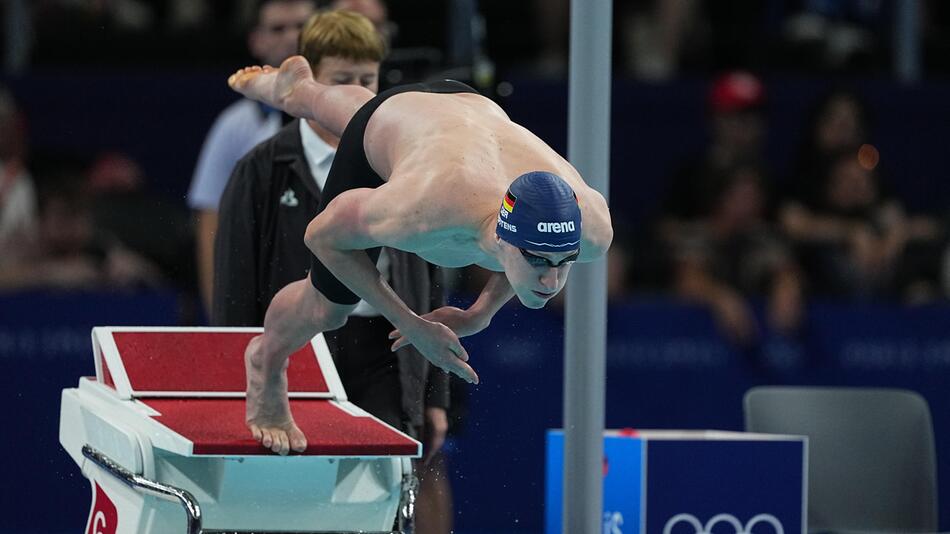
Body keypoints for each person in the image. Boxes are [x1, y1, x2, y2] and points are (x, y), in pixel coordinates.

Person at [226, 55, 613, 455]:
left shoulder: (591, 228)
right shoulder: (426, 209)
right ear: (502, 239)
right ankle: (265, 362)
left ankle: (299, 90)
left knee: (389, 118)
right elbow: (321, 235)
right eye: (537, 261)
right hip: (410, 131)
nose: (551, 282)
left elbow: (534, 254)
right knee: (329, 307)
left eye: (562, 262)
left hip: (465, 113)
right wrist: (409, 322)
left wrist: (480, 311)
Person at [187, 0, 317, 314]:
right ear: (256, 41)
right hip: (266, 284)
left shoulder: (342, 112)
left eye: (301, 26)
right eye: (278, 28)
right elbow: (210, 220)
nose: (292, 37)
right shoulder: (233, 126)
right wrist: (218, 314)